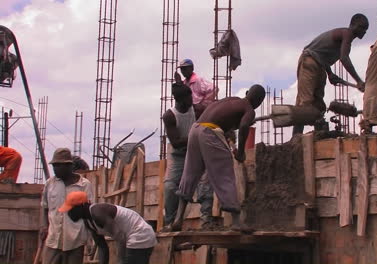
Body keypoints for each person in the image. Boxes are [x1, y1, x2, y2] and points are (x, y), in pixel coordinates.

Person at [169, 84, 266, 232]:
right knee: (225, 173)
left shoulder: (231, 100)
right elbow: (245, 126)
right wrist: (240, 153)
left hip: (195, 129)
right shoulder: (248, 109)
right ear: (259, 102)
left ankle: (178, 220)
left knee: (190, 174)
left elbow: (224, 121)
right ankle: (236, 222)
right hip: (209, 131)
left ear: (246, 92)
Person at [293, 13, 369, 135]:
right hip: (309, 62)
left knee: (318, 104)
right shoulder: (347, 34)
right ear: (353, 25)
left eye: (366, 29)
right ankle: (296, 139)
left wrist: (330, 73)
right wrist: (358, 81)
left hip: (320, 65)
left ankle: (319, 135)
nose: (364, 32)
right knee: (305, 103)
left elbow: (323, 55)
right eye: (362, 27)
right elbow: (344, 59)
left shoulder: (345, 39)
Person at [162, 83, 214, 229]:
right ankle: (170, 222)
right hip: (178, 155)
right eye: (188, 97)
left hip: (197, 153)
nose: (192, 99)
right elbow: (176, 142)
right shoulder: (169, 116)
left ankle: (206, 221)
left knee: (204, 184)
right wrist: (196, 135)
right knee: (170, 186)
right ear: (179, 99)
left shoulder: (197, 110)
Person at [58, 191, 156, 264]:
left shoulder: (97, 213)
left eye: (71, 210)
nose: (69, 213)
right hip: (133, 236)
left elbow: (121, 238)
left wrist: (121, 261)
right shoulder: (88, 222)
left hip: (140, 233)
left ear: (82, 205)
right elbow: (102, 247)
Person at [40, 148, 94, 264]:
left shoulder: (84, 185)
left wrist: (90, 238)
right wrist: (44, 226)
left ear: (69, 166)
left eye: (58, 166)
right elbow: (45, 207)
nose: (55, 169)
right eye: (54, 165)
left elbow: (88, 213)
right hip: (53, 239)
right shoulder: (50, 184)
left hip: (75, 240)